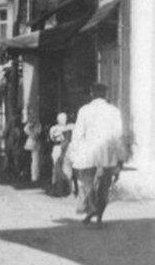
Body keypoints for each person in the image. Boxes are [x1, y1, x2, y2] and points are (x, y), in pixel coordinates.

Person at [69, 83, 125, 225]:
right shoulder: (114, 111)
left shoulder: (84, 110)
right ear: (106, 95)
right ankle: (99, 216)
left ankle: (92, 209)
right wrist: (120, 157)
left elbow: (77, 135)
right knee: (104, 187)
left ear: (91, 94)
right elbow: (117, 137)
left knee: (89, 186)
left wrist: (74, 155)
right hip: (107, 156)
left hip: (88, 155)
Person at [48, 112, 73, 196]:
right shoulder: (54, 128)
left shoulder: (69, 126)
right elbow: (54, 138)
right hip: (58, 147)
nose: (63, 120)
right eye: (61, 118)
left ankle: (68, 189)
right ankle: (56, 189)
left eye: (64, 118)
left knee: (67, 168)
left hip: (68, 148)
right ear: (58, 119)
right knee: (56, 168)